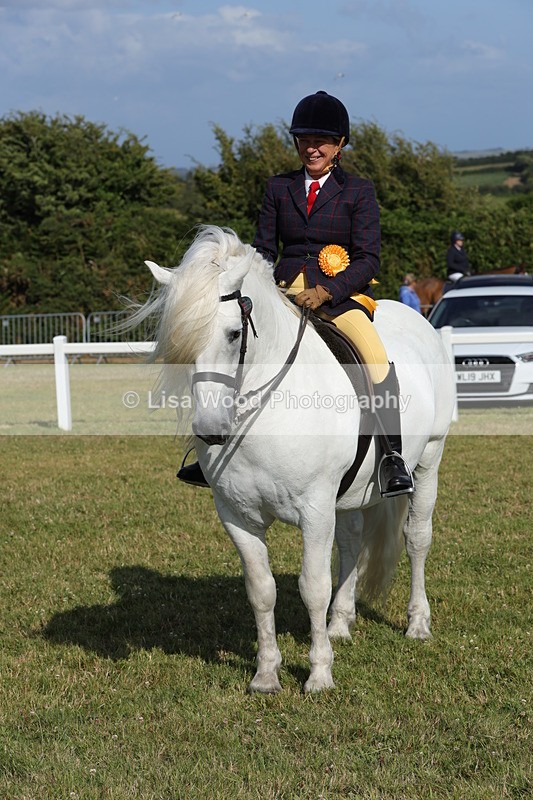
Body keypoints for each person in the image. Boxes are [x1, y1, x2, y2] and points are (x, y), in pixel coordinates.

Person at [178, 90, 414, 497]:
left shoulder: (358, 191)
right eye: (304, 139)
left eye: (321, 140)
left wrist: (326, 291)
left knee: (374, 357)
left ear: (339, 145)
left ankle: (392, 457)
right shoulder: (278, 188)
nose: (312, 148)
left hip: (339, 298)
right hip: (282, 294)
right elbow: (265, 249)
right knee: (233, 348)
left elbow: (368, 259)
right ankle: (209, 449)